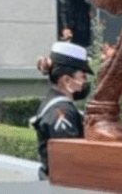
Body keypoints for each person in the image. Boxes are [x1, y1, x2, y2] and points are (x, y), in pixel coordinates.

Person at [31, 41, 93, 179]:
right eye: (82, 76)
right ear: (66, 81)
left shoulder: (57, 104)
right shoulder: (61, 111)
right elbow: (70, 162)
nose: (85, 82)